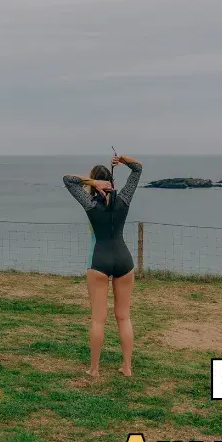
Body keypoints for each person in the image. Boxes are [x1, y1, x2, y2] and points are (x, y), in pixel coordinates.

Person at [62, 155, 144, 377]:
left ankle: (94, 369)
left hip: (98, 261)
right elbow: (137, 170)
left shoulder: (89, 203)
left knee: (98, 318)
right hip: (123, 259)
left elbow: (68, 180)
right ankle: (127, 367)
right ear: (112, 182)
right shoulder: (124, 199)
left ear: (95, 182)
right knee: (124, 317)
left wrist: (91, 183)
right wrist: (123, 159)